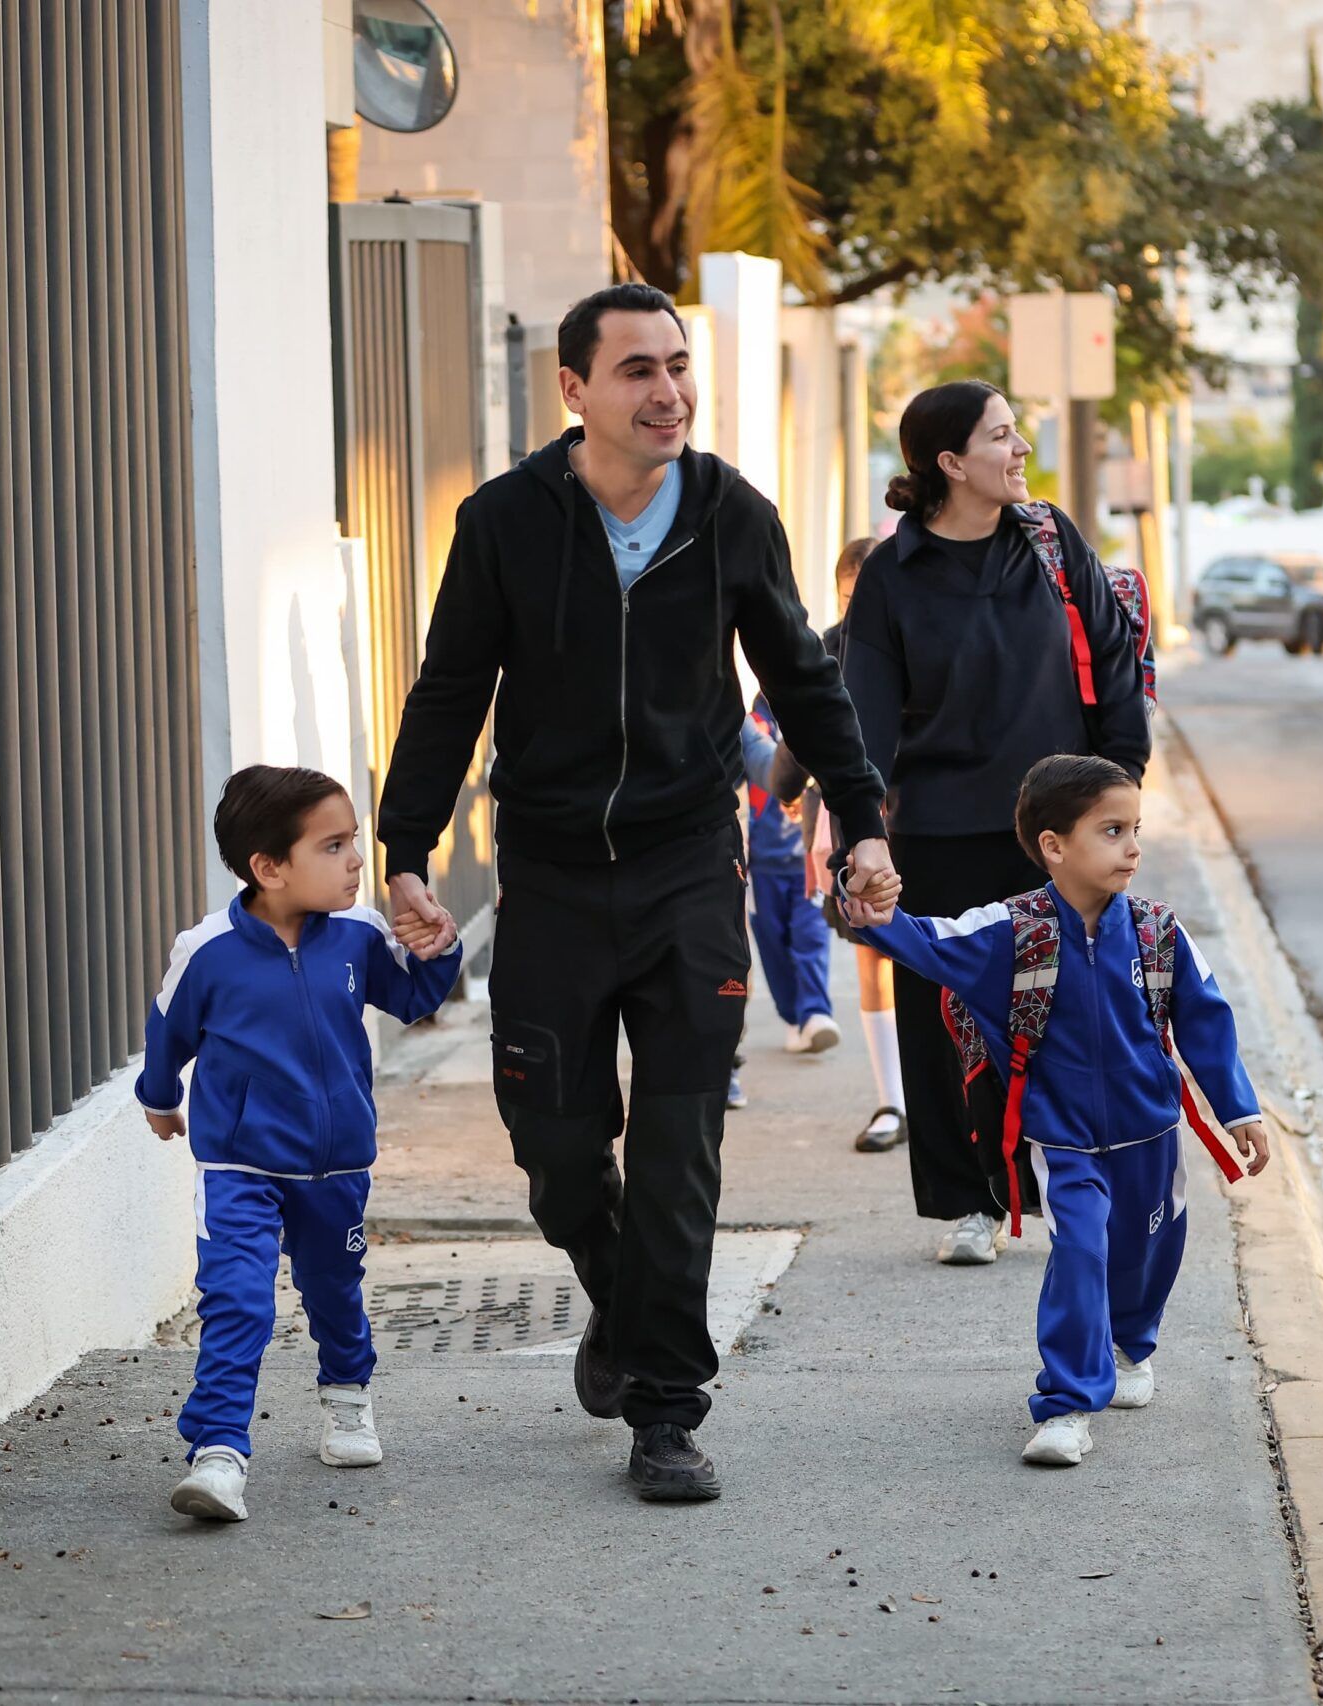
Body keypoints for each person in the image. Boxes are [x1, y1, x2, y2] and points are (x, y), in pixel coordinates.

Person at [372, 283, 898, 1502]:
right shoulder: (502, 521)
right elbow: (450, 689)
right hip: (550, 873)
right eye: (637, 372)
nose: (668, 393)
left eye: (677, 368)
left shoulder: (728, 513)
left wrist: (861, 818)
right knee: (555, 1146)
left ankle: (665, 1406)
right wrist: (405, 844)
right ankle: (624, 1302)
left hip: (685, 869)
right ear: (574, 390)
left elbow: (805, 681)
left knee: (677, 1141)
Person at [841, 755, 1270, 1466]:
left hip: (1153, 1138)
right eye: (1111, 830)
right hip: (1062, 1140)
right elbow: (925, 940)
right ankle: (1067, 1402)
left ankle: (1132, 1344)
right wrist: (867, 909)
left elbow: (1207, 1025)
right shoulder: (1012, 932)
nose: (1133, 846)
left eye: (1136, 828)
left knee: (1149, 1255)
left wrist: (1239, 1108)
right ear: (1053, 845)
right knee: (1081, 1250)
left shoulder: (1161, 934)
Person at [840, 381, 1148, 1265]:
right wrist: (865, 831)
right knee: (944, 1020)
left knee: (1070, 1015)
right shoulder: (893, 576)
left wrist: (1118, 789)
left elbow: (1115, 655)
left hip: (1057, 832)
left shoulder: (1050, 542)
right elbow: (865, 715)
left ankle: (1062, 1186)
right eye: (1003, 437)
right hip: (936, 830)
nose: (1020, 451)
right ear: (950, 463)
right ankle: (965, 1201)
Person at [140, 766, 462, 1523]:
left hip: (337, 1164)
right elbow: (167, 1033)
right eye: (336, 845)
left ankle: (347, 1397)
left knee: (332, 1293)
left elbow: (412, 998)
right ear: (269, 867)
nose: (357, 861)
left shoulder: (357, 934)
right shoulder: (208, 951)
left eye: (353, 842)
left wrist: (439, 948)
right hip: (238, 1167)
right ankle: (219, 1453)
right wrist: (159, 1099)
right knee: (240, 1302)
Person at [773, 536, 908, 1152]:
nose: (857, 614)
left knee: (932, 961)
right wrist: (801, 822)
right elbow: (797, 745)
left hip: (919, 821)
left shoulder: (899, 638)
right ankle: (892, 1101)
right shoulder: (831, 646)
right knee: (873, 957)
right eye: (850, 599)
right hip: (854, 828)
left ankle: (931, 1099)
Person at [740, 700, 839, 1057]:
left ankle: (815, 1013)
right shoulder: (753, 726)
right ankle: (793, 1018)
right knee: (773, 944)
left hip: (805, 857)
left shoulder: (810, 712)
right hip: (760, 863)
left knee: (809, 935)